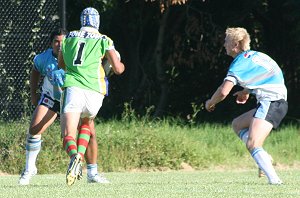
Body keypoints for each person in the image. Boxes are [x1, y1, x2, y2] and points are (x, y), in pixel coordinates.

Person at [19, 28, 108, 185]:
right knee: (34, 129)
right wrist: (33, 94)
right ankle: (29, 168)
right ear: (51, 43)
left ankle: (92, 173)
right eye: (56, 41)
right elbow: (35, 71)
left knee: (90, 132)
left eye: (62, 41)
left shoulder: (73, 53)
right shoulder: (43, 58)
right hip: (53, 99)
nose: (59, 45)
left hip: (74, 98)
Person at [205, 27, 288, 185]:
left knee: (252, 143)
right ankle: (264, 156)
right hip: (275, 101)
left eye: (226, 41)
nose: (224, 45)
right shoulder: (255, 56)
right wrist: (246, 91)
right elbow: (271, 74)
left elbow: (223, 92)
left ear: (235, 44)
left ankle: (275, 181)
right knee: (237, 124)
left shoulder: (239, 63)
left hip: (272, 102)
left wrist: (210, 102)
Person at [58, 7, 125, 186]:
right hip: (95, 90)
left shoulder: (69, 37)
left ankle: (75, 157)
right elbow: (118, 69)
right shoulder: (105, 39)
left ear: (81, 21)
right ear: (97, 22)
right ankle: (84, 163)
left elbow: (61, 64)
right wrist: (118, 65)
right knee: (87, 124)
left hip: (74, 88)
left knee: (67, 135)